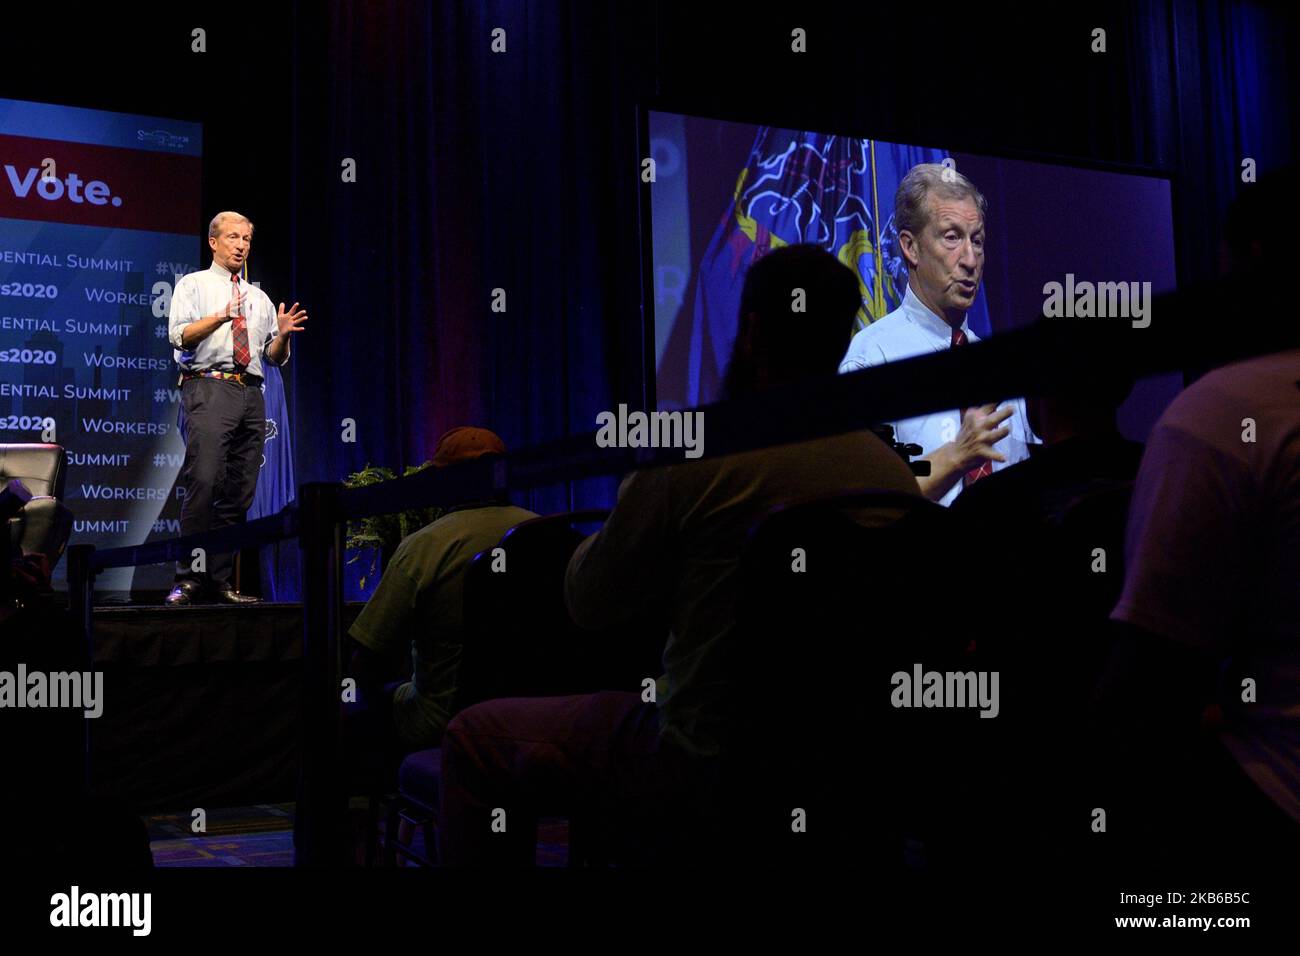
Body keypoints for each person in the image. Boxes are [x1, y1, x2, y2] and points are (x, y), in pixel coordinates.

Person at [437, 244, 924, 865]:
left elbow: (589, 603)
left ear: (748, 331)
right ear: (841, 340)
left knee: (472, 737)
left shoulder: (695, 450)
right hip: (856, 770)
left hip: (706, 758)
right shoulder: (890, 473)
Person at [839, 163, 1038, 505]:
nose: (970, 259)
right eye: (952, 237)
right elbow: (865, 498)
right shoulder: (873, 358)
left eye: (977, 241)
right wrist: (959, 454)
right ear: (910, 247)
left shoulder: (1002, 369)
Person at [345, 427, 536, 756]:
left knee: (352, 702)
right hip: (534, 715)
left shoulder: (425, 545)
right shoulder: (544, 529)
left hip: (444, 721)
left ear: (445, 481)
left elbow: (368, 656)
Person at [165, 211, 308, 606]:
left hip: (251, 394)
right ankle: (188, 579)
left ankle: (219, 581)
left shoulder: (258, 297)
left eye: (246, 238)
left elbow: (272, 358)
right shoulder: (193, 285)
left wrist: (281, 337)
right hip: (209, 387)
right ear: (214, 242)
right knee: (205, 482)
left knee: (238, 492)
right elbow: (179, 337)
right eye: (233, 237)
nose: (242, 245)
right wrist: (220, 316)